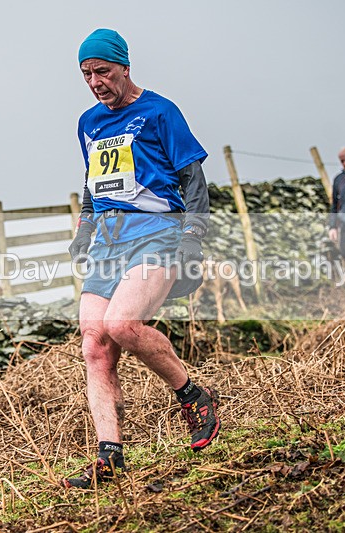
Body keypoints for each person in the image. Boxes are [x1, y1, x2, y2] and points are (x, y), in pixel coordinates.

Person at [63, 28, 220, 489]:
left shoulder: (159, 111)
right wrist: (85, 227)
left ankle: (193, 396)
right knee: (94, 343)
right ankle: (109, 455)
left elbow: (193, 178)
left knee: (122, 325)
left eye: (103, 71)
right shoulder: (88, 122)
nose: (95, 82)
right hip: (108, 243)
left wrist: (193, 235)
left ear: (125, 68)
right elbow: (93, 182)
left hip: (157, 234)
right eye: (86, 74)